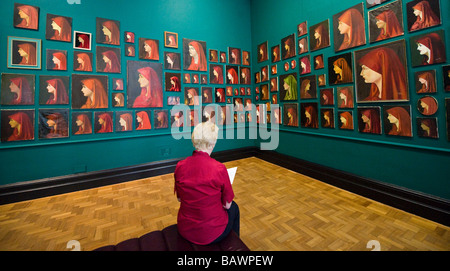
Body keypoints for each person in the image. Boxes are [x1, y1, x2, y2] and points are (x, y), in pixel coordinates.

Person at [174, 122, 239, 245]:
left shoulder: (180, 166)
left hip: (185, 228)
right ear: (212, 143)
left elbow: (179, 199)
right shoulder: (219, 168)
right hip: (211, 232)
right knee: (234, 208)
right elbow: (227, 205)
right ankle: (234, 244)